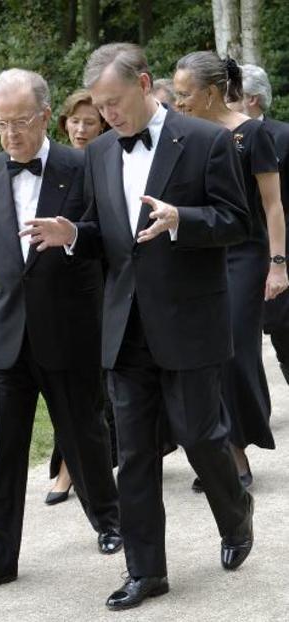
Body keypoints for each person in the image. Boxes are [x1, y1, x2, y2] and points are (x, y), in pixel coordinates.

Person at [21, 43, 254, 611]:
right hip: (124, 328)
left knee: (200, 436)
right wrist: (73, 234)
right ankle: (146, 572)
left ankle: (236, 513)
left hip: (190, 319)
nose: (109, 115)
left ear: (145, 83)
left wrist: (183, 221)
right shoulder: (99, 152)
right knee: (135, 455)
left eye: (116, 102)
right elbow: (106, 233)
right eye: (100, 107)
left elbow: (236, 221)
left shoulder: (207, 141)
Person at [0, 68, 121, 598]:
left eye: (20, 121)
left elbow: (107, 242)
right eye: (0, 123)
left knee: (84, 434)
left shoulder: (84, 164)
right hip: (3, 334)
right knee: (0, 451)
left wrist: (71, 238)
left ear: (46, 116)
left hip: (68, 329)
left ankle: (111, 522)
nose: (10, 134)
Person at [174, 52, 288, 491]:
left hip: (244, 256)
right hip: (198, 254)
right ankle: (217, 451)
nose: (178, 101)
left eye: (184, 93)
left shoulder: (252, 134)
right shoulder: (183, 135)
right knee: (200, 357)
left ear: (210, 92)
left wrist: (278, 264)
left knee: (236, 353)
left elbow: (273, 204)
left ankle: (237, 452)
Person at [45, 88, 116, 505]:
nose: (80, 128)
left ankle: (80, 467)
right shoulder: (54, 163)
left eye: (90, 121)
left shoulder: (107, 159)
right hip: (61, 283)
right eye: (75, 120)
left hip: (104, 277)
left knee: (98, 381)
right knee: (71, 379)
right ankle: (68, 466)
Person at [229, 64, 289, 385]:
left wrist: (280, 260)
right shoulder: (217, 136)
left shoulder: (284, 136)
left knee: (283, 332)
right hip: (240, 254)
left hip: (280, 249)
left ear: (250, 99)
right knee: (241, 337)